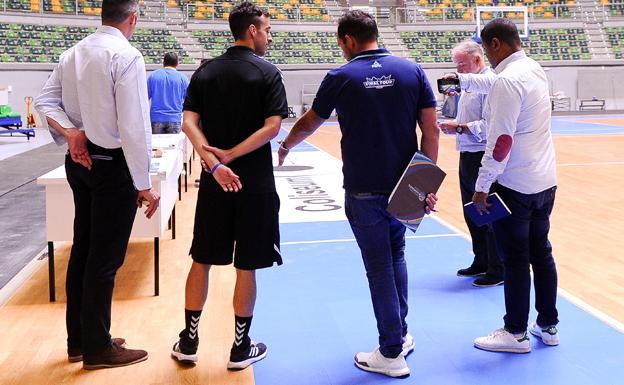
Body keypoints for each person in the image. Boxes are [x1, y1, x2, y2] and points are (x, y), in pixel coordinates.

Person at [278, 10, 439, 378]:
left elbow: (310, 122)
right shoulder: (411, 70)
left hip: (364, 189)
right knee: (396, 255)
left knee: (380, 267)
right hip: (407, 186)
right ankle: (401, 333)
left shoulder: (341, 76)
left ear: (348, 40)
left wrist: (287, 145)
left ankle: (391, 351)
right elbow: (431, 131)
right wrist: (426, 183)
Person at [34, 0, 160, 370]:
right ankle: (99, 349)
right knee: (104, 260)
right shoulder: (126, 56)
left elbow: (45, 101)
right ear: (132, 18)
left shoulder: (73, 52)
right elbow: (135, 127)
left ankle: (82, 338)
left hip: (81, 163)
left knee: (84, 252)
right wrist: (144, 183)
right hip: (112, 167)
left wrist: (72, 133)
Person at [170, 2, 288, 370]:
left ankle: (188, 341)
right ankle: (240, 348)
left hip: (215, 183)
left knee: (202, 259)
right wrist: (232, 156)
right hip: (254, 184)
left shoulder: (206, 72)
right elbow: (272, 128)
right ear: (251, 30)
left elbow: (188, 122)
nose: (269, 36)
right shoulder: (268, 72)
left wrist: (215, 163)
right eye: (267, 29)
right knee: (247, 266)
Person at [459, 18, 559, 353]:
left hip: (514, 184)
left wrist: (482, 185)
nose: (487, 56)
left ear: (497, 44)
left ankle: (515, 332)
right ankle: (548, 325)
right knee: (541, 253)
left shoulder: (506, 81)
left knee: (515, 258)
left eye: (486, 48)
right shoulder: (534, 69)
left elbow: (501, 141)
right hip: (544, 181)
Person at [439, 40, 504, 287]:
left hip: (482, 156)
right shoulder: (467, 85)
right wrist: (453, 119)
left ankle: (498, 268)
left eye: (462, 65)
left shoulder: (491, 85)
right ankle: (482, 260)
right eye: (457, 65)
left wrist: (460, 127)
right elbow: (456, 114)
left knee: (488, 212)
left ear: (478, 60)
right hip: (467, 153)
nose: (459, 70)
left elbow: (491, 125)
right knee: (472, 212)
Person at [147, 52, 190, 134]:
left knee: (157, 146)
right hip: (175, 118)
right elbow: (189, 100)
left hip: (156, 118)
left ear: (163, 62)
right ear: (177, 63)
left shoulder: (153, 76)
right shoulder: (183, 78)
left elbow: (145, 98)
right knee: (174, 146)